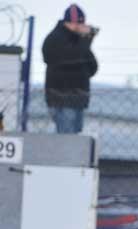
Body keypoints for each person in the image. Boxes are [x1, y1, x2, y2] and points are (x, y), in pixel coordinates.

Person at [42, 4, 98, 134]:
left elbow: (92, 67)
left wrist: (85, 40)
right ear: (72, 22)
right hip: (63, 99)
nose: (82, 27)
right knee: (67, 140)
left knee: (75, 139)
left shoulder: (77, 40)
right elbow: (73, 57)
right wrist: (87, 38)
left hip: (77, 99)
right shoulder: (56, 38)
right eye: (79, 23)